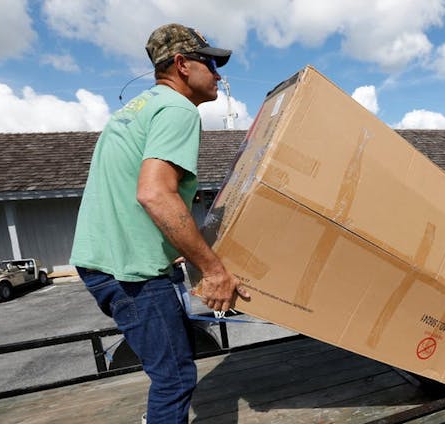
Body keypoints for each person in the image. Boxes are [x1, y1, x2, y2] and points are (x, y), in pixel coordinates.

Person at [70, 23, 250, 423]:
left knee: (172, 361)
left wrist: (176, 250)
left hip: (105, 261)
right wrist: (214, 269)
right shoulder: (177, 109)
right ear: (183, 65)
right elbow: (154, 193)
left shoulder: (134, 110)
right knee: (174, 379)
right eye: (211, 63)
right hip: (132, 272)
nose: (219, 75)